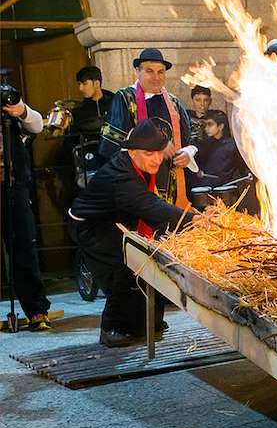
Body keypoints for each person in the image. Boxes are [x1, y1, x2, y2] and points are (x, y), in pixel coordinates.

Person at [70, 119, 197, 347]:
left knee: (152, 256)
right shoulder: (121, 176)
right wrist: (194, 218)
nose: (157, 159)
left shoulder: (137, 163)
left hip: (116, 218)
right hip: (92, 226)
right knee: (128, 263)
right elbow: (150, 206)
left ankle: (148, 322)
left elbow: (150, 205)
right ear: (133, 151)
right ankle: (111, 328)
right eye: (150, 154)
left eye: (160, 153)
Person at [99, 48, 196, 206]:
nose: (156, 77)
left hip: (172, 184)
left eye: (161, 72)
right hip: (137, 184)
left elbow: (189, 141)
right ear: (137, 71)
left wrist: (187, 154)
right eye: (149, 71)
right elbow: (112, 146)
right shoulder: (125, 98)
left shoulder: (174, 102)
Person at [1, 92, 51, 331]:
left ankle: (36, 310)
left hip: (12, 186)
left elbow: (37, 124)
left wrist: (20, 110)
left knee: (24, 248)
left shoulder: (6, 107)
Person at [74, 65, 115, 142]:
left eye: (85, 84)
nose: (80, 88)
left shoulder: (115, 102)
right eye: (79, 84)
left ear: (96, 83)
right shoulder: (79, 110)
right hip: (89, 151)